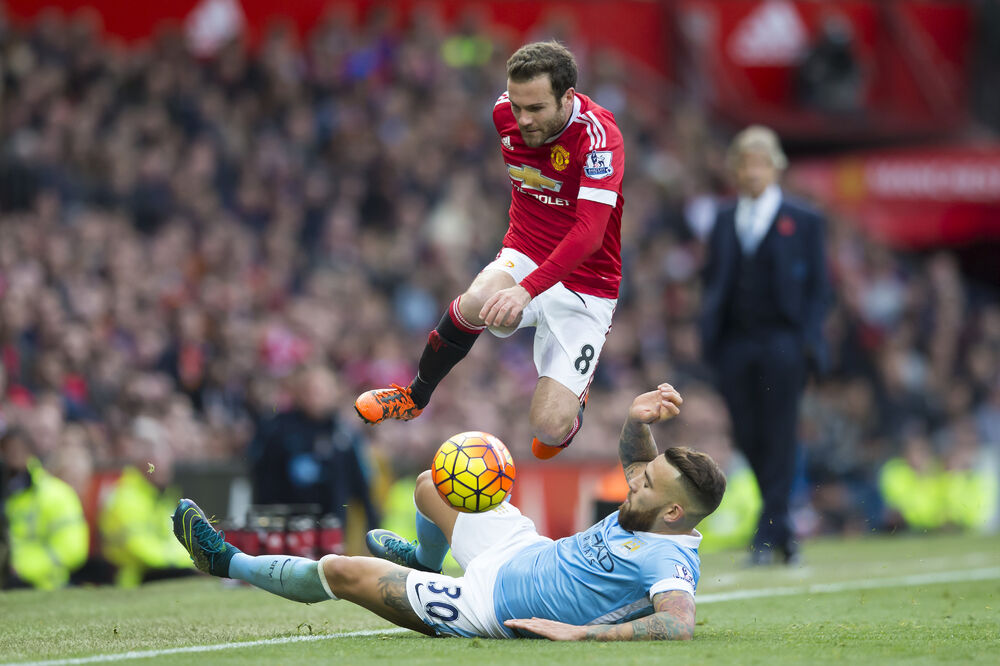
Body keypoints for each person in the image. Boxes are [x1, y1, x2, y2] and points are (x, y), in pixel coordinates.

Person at [172, 383, 726, 641]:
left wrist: (580, 636)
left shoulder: (669, 561)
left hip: (486, 607)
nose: (634, 479)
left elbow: (678, 622)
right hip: (521, 549)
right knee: (431, 485)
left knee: (343, 571)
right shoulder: (653, 505)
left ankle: (224, 561)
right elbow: (637, 457)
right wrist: (637, 420)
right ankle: (425, 561)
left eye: (647, 483)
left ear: (674, 512)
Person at [354, 41, 626, 460]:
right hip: (528, 251)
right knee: (476, 300)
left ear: (568, 97)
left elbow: (590, 235)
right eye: (517, 105)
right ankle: (414, 396)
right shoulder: (503, 113)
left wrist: (527, 290)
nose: (523, 119)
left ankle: (573, 407)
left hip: (587, 284)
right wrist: (523, 282)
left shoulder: (599, 137)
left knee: (547, 430)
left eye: (535, 108)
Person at [699, 125, 831, 565]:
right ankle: (783, 530)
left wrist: (809, 340)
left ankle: (767, 533)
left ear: (776, 168)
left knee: (779, 433)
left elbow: (819, 287)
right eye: (744, 163)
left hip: (783, 340)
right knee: (747, 434)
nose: (752, 172)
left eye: (760, 163)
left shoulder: (805, 219)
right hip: (735, 343)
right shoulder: (723, 218)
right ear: (734, 170)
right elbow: (713, 279)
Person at [249, 365, 380, 532]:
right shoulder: (278, 430)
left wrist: (373, 525)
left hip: (331, 529)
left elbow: (362, 487)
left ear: (335, 393)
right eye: (309, 390)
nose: (315, 397)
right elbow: (263, 479)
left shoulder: (345, 436)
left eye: (321, 391)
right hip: (285, 529)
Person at [1, 428, 89, 590]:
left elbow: (72, 549)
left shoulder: (57, 494)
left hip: (44, 586)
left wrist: (20, 569)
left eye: (16, 451)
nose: (11, 458)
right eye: (6, 452)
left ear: (30, 453)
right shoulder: (6, 493)